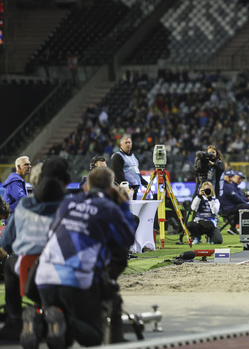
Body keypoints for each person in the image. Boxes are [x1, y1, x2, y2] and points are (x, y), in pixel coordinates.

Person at [30, 167, 136, 348]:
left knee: (60, 337)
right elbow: (127, 238)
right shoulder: (108, 208)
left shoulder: (67, 203)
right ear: (111, 189)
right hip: (75, 279)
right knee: (93, 336)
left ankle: (40, 319)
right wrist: (124, 204)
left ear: (86, 187)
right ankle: (59, 320)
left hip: (43, 277)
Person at [0, 157, 70, 344]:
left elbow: (5, 243)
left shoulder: (24, 206)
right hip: (68, 276)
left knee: (9, 265)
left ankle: (15, 319)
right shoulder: (72, 204)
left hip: (31, 276)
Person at [111, 134, 148, 200]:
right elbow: (118, 173)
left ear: (131, 144)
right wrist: (128, 187)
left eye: (129, 142)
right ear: (121, 145)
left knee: (133, 209)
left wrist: (146, 184)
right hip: (124, 190)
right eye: (126, 143)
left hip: (134, 189)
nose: (128, 144)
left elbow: (137, 173)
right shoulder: (117, 156)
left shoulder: (133, 156)